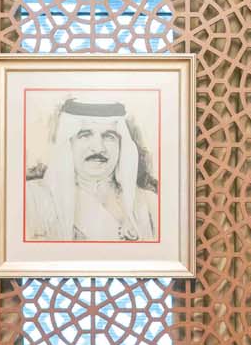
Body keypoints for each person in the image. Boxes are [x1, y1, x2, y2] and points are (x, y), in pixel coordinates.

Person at [25, 98, 158, 242]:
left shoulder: (149, 203)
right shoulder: (33, 198)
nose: (98, 147)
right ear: (68, 143)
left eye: (109, 136)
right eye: (85, 135)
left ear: (121, 145)